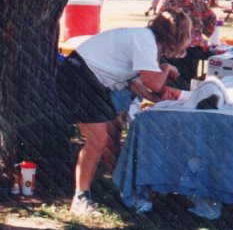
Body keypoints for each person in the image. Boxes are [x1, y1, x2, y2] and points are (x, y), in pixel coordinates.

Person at [58, 11, 192, 216]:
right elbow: (155, 83)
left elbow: (135, 83)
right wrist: (165, 68)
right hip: (79, 77)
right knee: (98, 139)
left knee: (112, 135)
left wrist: (158, 100)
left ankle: (124, 188)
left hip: (92, 80)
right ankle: (80, 198)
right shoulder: (145, 41)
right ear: (177, 34)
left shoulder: (145, 40)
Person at [159, 0, 217, 90]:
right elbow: (212, 18)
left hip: (171, 48)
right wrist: (205, 32)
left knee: (172, 81)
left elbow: (159, 22)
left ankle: (173, 100)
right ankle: (186, 99)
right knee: (189, 80)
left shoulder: (168, 3)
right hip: (194, 48)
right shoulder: (199, 3)